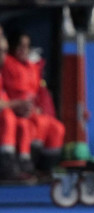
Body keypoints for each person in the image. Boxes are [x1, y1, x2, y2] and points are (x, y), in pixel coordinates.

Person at [0, 32, 65, 176]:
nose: (24, 50)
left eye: (27, 46)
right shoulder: (7, 65)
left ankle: (45, 167)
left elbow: (36, 94)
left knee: (55, 127)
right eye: (20, 46)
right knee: (14, 120)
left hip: (26, 111)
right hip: (13, 112)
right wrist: (16, 105)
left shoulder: (32, 67)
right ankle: (11, 163)